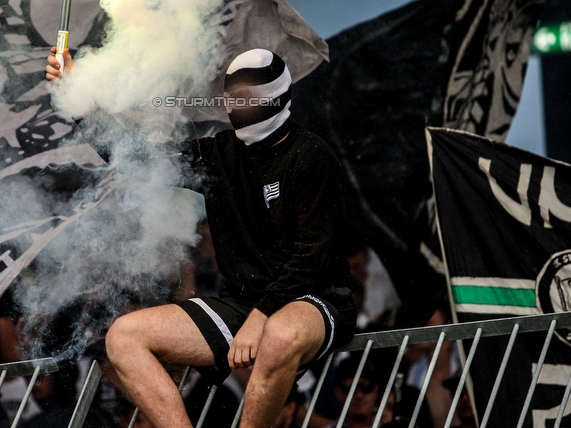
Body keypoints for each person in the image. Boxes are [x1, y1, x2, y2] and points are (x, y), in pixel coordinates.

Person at [46, 46, 357, 428]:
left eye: (246, 98)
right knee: (124, 337)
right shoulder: (221, 152)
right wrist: (80, 101)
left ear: (275, 98)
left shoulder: (311, 155)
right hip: (243, 303)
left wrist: (262, 315)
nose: (235, 106)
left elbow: (316, 254)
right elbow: (141, 158)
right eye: (231, 97)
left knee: (278, 334)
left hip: (312, 298)